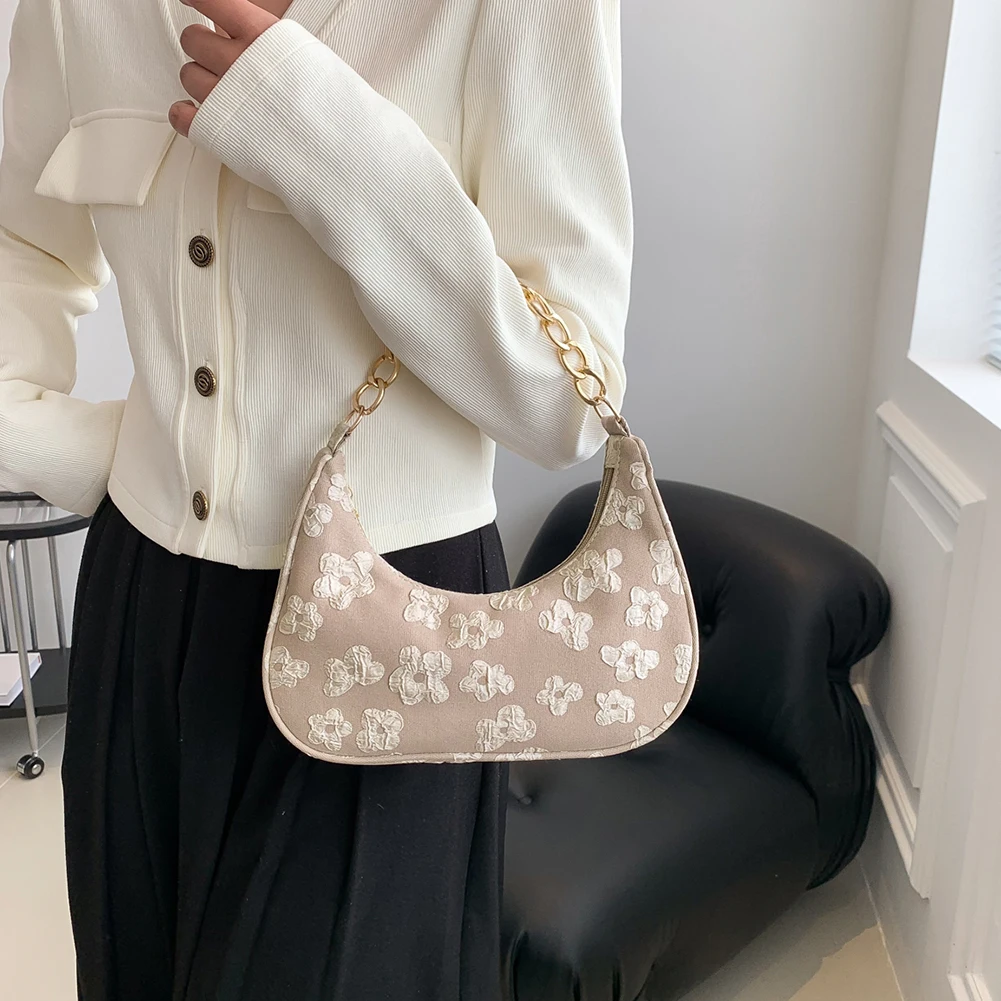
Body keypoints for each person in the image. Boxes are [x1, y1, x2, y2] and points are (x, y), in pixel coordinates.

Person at [0, 0, 633, 997]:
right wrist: (78, 445)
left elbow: (563, 400)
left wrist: (318, 135)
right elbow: (20, 247)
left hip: (399, 628)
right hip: (141, 608)